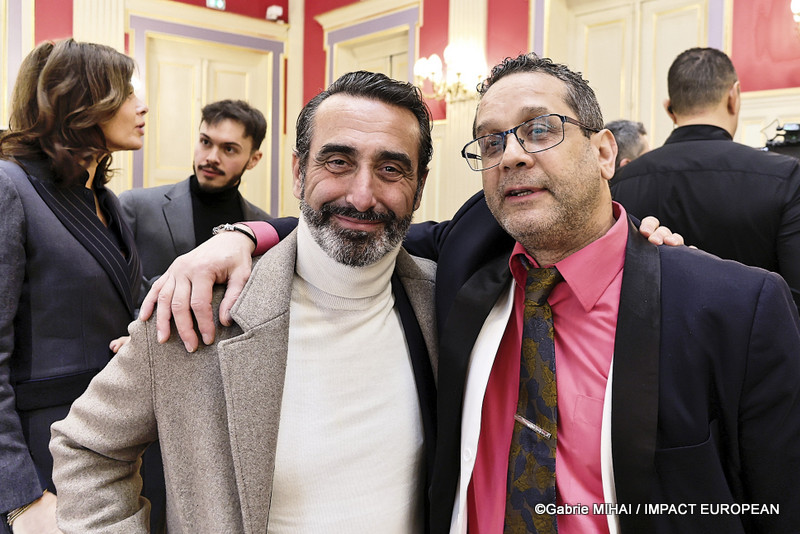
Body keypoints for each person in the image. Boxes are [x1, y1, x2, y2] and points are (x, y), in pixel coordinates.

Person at [141, 54, 800, 534]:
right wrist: (241, 234)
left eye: (540, 128)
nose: (511, 154)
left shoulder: (737, 309)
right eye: (490, 142)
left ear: (605, 152)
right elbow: (358, 216)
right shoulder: (464, 261)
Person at [49, 71, 438, 533]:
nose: (361, 195)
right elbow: (88, 448)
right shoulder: (195, 307)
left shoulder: (445, 305)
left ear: (419, 183)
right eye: (337, 161)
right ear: (299, 171)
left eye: (391, 168)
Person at [0, 39, 163, 534]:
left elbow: (134, 294)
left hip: (106, 443)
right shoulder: (9, 187)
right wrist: (20, 497)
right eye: (125, 92)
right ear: (81, 102)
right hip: (39, 455)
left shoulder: (103, 200)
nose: (142, 105)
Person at [611, 47, 800, 311]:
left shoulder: (621, 181)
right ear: (733, 97)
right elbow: (795, 296)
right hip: (753, 345)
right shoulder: (786, 176)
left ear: (670, 109)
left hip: (653, 348)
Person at [119, 99, 271, 306]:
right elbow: (115, 288)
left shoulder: (263, 227)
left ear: (254, 159)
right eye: (206, 142)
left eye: (229, 149)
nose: (212, 157)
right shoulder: (136, 206)